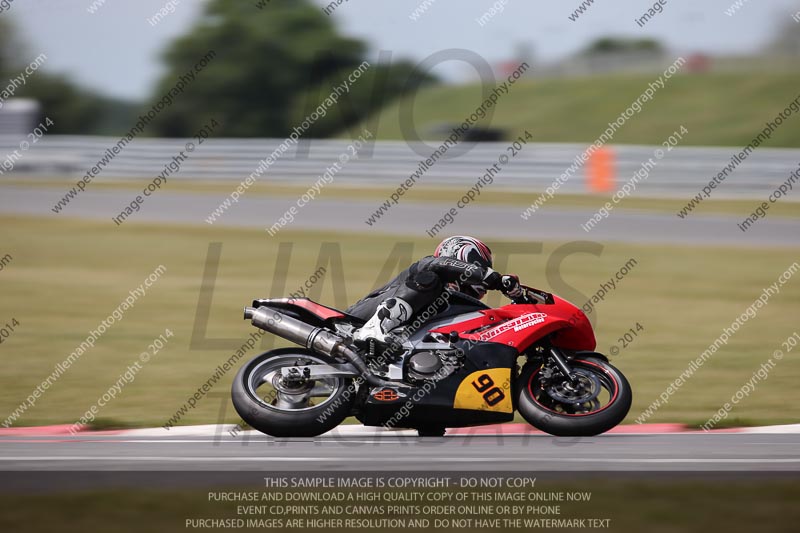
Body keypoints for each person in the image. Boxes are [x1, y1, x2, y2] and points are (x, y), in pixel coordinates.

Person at [347, 235, 526, 344]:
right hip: (355, 320)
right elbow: (437, 265)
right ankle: (373, 329)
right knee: (430, 280)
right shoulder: (427, 267)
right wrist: (493, 278)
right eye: (481, 265)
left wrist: (520, 302)